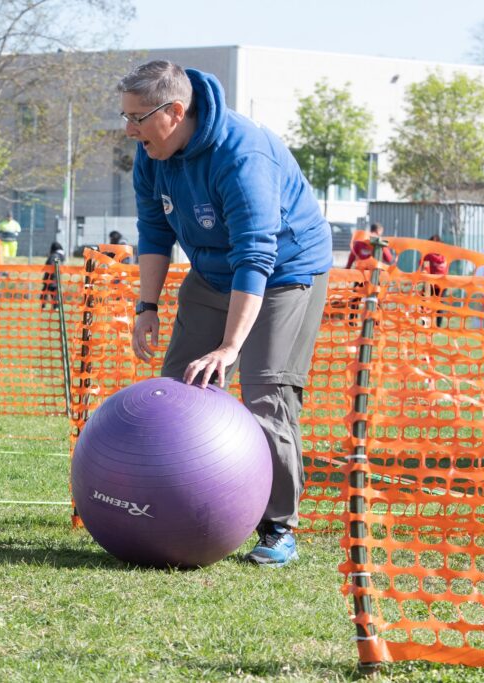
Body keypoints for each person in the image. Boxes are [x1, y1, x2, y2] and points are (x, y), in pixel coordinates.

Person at [120, 60, 333, 567]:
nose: (128, 129)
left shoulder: (243, 155)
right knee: (177, 393)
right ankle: (171, 509)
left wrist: (231, 346)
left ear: (174, 112)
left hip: (284, 273)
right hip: (213, 272)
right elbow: (154, 231)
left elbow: (256, 255)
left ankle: (278, 526)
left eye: (137, 117)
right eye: (124, 116)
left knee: (266, 397)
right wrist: (146, 306)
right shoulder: (150, 152)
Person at [420, 234, 448, 328]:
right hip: (442, 284)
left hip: (430, 284)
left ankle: (425, 325)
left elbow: (422, 266)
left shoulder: (429, 255)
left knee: (425, 304)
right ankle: (438, 326)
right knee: (439, 306)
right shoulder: (446, 255)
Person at [41, 240, 66, 309]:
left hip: (50, 277)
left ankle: (43, 306)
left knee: (45, 292)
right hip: (56, 278)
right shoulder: (61, 256)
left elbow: (48, 264)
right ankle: (56, 306)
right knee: (55, 293)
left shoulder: (53, 255)